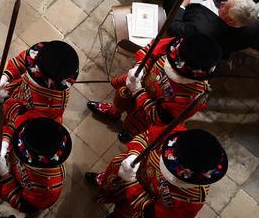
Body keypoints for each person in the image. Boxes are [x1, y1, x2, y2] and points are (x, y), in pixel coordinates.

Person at [87, 34, 218, 142]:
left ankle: (130, 133)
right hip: (140, 80)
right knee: (122, 94)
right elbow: (151, 50)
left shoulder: (192, 98)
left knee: (137, 124)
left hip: (147, 108)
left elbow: (159, 118)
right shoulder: (181, 46)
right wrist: (141, 66)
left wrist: (138, 91)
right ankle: (113, 112)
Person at [86, 127, 228, 218]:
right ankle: (105, 188)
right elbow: (147, 136)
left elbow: (150, 214)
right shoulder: (177, 136)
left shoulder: (190, 201)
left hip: (136, 204)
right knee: (114, 172)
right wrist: (134, 155)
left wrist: (131, 183)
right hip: (134, 170)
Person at [0, 116, 71, 212]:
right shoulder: (42, 126)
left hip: (20, 187)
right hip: (15, 167)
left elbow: (22, 203)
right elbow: (15, 125)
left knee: (1, 180)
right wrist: (5, 143)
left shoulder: (47, 190)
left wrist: (4, 174)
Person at [0, 41, 79, 125]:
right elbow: (21, 61)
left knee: (7, 120)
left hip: (22, 109)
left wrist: (4, 99)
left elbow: (21, 117)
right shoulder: (44, 57)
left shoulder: (52, 105)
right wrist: (5, 77)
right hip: (21, 89)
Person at [162, 0, 259, 55]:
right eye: (228, 0)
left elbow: (173, 28)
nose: (221, 2)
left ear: (230, 20)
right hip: (223, 45)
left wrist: (182, 5)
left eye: (224, 6)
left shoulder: (200, 28)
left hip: (192, 12)